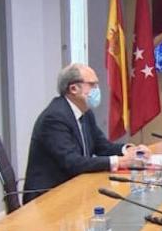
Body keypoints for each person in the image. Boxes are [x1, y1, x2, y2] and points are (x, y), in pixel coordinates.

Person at [23, 63, 149, 203]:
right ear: (73, 88)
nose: (97, 90)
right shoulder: (54, 117)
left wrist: (129, 150)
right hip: (47, 196)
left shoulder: (85, 113)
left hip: (72, 188)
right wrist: (119, 161)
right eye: (92, 85)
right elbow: (72, 162)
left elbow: (102, 146)